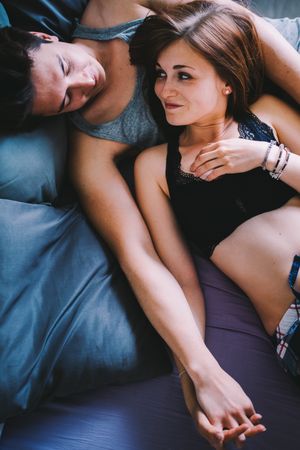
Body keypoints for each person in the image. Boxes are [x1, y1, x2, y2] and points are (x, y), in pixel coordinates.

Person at [0, 0, 299, 447]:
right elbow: (146, 261)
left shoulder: (115, 6)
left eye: (64, 66)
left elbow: (240, 24)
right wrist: (198, 377)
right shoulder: (107, 153)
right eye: (65, 100)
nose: (84, 84)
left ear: (47, 38)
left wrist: (269, 156)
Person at [129, 0, 300, 436]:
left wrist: (266, 156)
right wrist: (196, 383)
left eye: (184, 75)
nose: (166, 89)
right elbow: (181, 279)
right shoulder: (155, 168)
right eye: (161, 74)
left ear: (226, 80)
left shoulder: (267, 118)